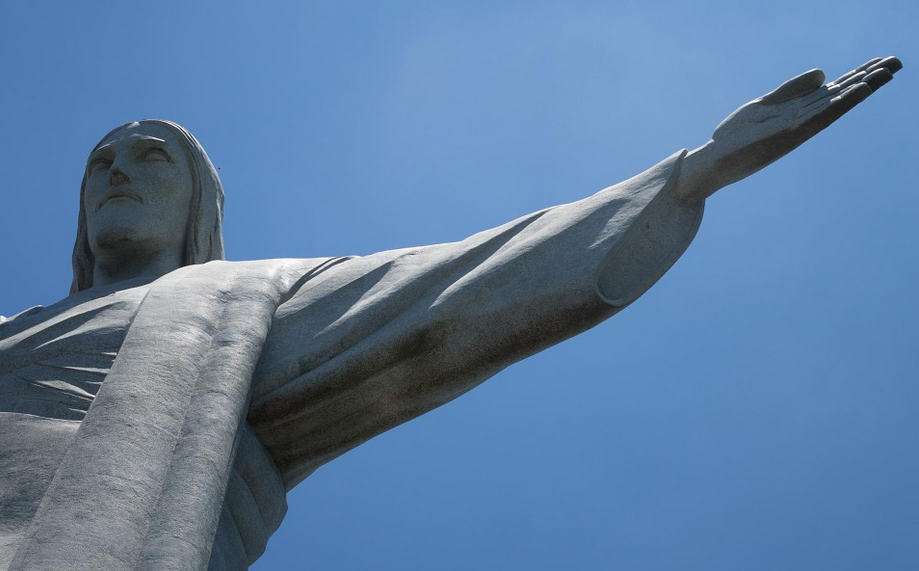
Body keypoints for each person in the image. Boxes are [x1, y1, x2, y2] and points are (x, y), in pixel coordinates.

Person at [0, 56, 901, 571]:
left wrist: (684, 176)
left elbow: (460, 287)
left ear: (198, 206)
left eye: (151, 157)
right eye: (100, 160)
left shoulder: (238, 309)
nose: (118, 169)